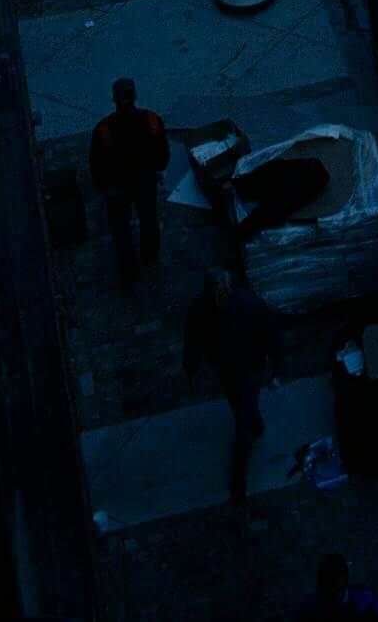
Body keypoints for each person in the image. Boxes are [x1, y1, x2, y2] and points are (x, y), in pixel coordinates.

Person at [183, 270, 283, 500]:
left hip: (249, 370)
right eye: (216, 294)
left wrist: (276, 369)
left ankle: (238, 479)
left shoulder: (249, 305)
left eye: (223, 292)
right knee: (242, 408)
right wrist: (192, 370)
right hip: (227, 371)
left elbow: (272, 336)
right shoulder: (201, 310)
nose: (220, 298)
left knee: (242, 424)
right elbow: (193, 341)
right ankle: (255, 423)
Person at [89, 77, 171, 290]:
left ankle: (129, 269)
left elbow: (96, 165)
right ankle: (149, 254)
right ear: (134, 96)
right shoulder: (151, 120)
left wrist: (106, 187)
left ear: (114, 99)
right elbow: (163, 155)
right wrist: (154, 170)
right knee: (148, 218)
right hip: (144, 181)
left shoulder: (104, 129)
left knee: (120, 227)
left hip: (119, 187)